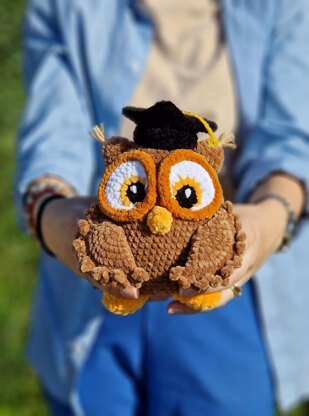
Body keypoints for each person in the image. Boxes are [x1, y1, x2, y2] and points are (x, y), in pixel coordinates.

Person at [16, 0, 309, 415]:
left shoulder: (283, 7)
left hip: (235, 290)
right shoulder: (66, 8)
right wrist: (53, 215)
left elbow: (290, 141)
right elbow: (53, 140)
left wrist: (267, 220)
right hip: (84, 290)